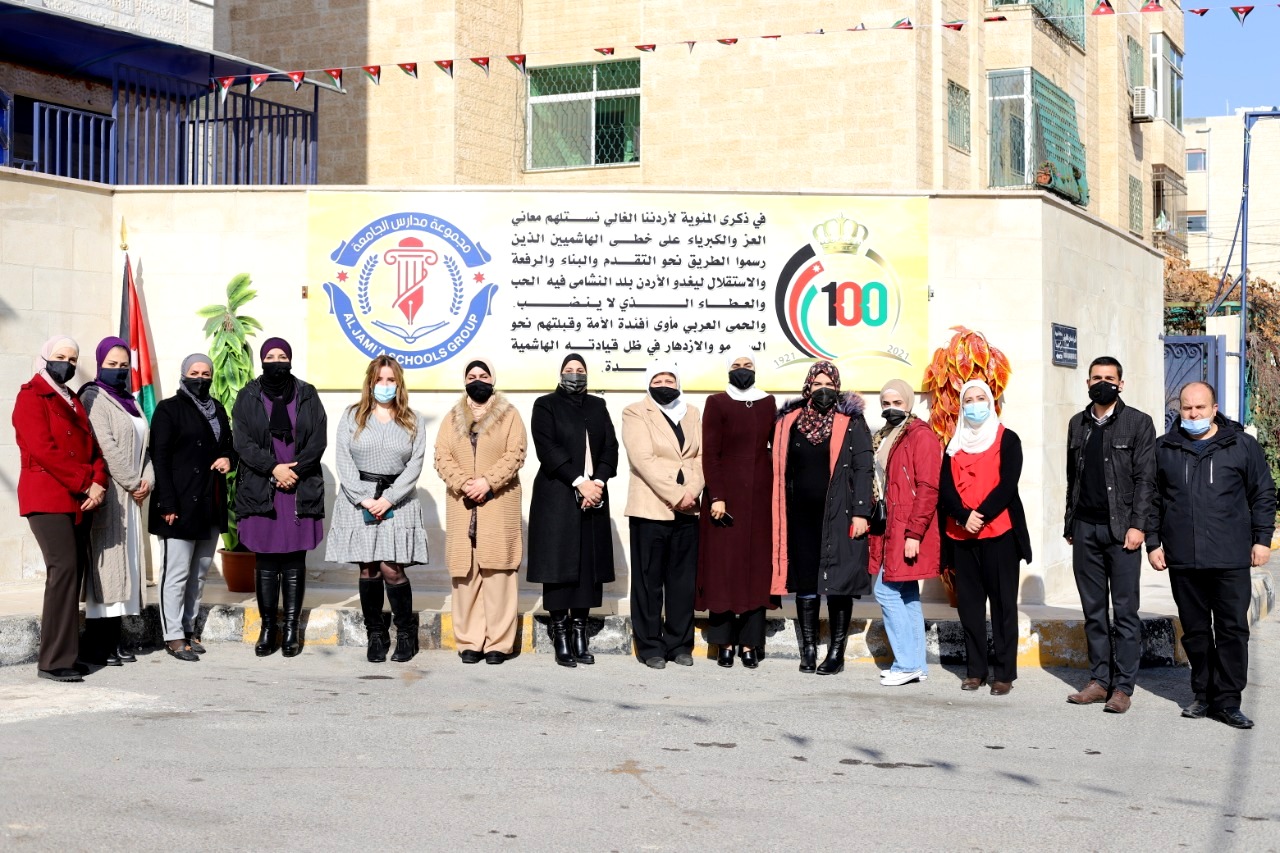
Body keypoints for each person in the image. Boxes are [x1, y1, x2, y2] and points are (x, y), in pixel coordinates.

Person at [1148, 381, 1276, 729]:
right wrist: (1154, 542)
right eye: (1187, 408)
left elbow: (1263, 493)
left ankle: (1228, 701)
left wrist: (1262, 539)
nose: (1193, 414)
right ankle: (1203, 694)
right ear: (1180, 410)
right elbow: (1152, 499)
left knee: (1232, 630)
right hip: (1183, 558)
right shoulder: (1165, 448)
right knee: (1195, 631)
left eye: (1200, 408)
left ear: (1214, 409)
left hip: (1230, 556)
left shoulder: (1241, 446)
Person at [1063, 357, 1157, 713]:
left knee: (1126, 611)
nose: (1102, 383)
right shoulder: (1078, 423)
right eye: (1096, 378)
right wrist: (1070, 524)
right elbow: (1072, 479)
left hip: (1122, 532)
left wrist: (1138, 525)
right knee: (1093, 610)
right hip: (1085, 528)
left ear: (1121, 383)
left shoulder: (1138, 423)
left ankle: (1123, 687)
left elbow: (1146, 479)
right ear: (1087, 382)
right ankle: (1099, 681)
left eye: (1109, 378)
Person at [12, 337, 107, 682]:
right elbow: (44, 450)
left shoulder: (72, 399)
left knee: (72, 573)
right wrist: (86, 482)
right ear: (44, 358)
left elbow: (93, 449)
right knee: (63, 569)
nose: (66, 363)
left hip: (78, 497)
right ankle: (52, 661)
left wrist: (99, 482)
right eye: (60, 356)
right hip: (47, 497)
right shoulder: (31, 396)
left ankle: (67, 654)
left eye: (73, 358)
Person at [325, 355, 430, 663]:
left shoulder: (413, 419)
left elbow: (415, 464)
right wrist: (363, 497)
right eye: (379, 379)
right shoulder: (352, 416)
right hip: (360, 499)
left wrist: (390, 498)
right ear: (370, 382)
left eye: (391, 380)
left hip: (397, 499)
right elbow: (343, 459)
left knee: (391, 568)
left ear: (399, 383)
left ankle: (406, 634)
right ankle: (376, 634)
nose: (385, 385)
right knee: (368, 567)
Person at [771, 361, 873, 675]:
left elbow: (864, 467)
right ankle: (809, 650)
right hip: (800, 516)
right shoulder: (790, 421)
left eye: (829, 384)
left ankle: (836, 653)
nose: (823, 390)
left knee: (838, 583)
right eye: (817, 384)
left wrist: (861, 512)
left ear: (837, 387)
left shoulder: (851, 421)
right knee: (806, 581)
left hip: (840, 515)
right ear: (808, 387)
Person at [232, 338, 327, 658]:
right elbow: (242, 442)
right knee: (266, 559)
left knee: (295, 559)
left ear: (290, 359)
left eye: (282, 355)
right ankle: (268, 628)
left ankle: (290, 629)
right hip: (262, 486)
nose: (276, 361)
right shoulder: (247, 396)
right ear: (262, 360)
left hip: (298, 486)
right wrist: (273, 468)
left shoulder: (307, 394)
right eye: (270, 356)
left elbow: (318, 439)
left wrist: (293, 472)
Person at [939, 379, 1032, 696]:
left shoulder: (1008, 439)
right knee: (969, 607)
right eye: (969, 400)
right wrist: (963, 516)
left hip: (999, 534)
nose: (975, 404)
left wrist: (980, 515)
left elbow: (1008, 484)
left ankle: (1004, 674)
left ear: (991, 402)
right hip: (961, 535)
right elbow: (945, 488)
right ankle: (975, 671)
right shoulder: (953, 445)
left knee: (1003, 606)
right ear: (962, 406)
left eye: (981, 398)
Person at [527, 354, 619, 668]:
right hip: (558, 493)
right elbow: (547, 448)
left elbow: (610, 447)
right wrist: (580, 482)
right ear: (560, 374)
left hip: (595, 495)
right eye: (569, 370)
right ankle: (561, 634)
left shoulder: (598, 406)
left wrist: (598, 482)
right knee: (558, 566)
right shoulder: (546, 405)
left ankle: (580, 631)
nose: (575, 375)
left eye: (580, 370)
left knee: (588, 567)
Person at [434, 359, 527, 665]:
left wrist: (488, 482)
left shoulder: (510, 415)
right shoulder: (452, 418)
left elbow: (516, 454)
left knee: (499, 574)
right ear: (465, 381)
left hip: (498, 502)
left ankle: (498, 643)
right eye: (472, 376)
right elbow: (442, 456)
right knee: (466, 575)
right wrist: (464, 483)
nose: (478, 380)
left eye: (483, 375)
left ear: (492, 379)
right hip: (463, 505)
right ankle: (470, 642)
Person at [149, 353, 237, 662]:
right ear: (184, 374)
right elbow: (159, 457)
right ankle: (173, 636)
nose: (200, 378)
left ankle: (188, 629)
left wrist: (228, 458)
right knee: (176, 573)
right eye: (194, 372)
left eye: (206, 373)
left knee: (198, 573)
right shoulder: (169, 409)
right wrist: (167, 502)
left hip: (210, 502)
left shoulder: (218, 409)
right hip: (179, 503)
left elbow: (229, 446)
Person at [622, 361, 705, 669]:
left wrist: (691, 492)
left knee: (682, 582)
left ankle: (679, 644)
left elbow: (701, 456)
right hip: (651, 508)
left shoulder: (692, 413)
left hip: (688, 509)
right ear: (649, 383)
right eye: (658, 380)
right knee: (648, 581)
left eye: (670, 380)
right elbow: (642, 459)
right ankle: (650, 646)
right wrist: (676, 494)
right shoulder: (635, 412)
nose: (664, 385)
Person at [696, 353, 776, 669]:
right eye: (736, 366)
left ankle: (750, 644)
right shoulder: (716, 403)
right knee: (724, 570)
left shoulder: (768, 403)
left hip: (760, 499)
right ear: (727, 370)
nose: (742, 371)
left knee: (756, 571)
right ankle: (724, 643)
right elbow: (710, 454)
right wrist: (717, 495)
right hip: (725, 500)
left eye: (748, 366)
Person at [80, 336, 153, 667]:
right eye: (112, 364)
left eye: (124, 365)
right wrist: (134, 482)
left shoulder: (131, 401)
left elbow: (144, 450)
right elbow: (106, 447)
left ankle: (115, 639)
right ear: (99, 364)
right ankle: (100, 643)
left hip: (132, 498)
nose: (119, 370)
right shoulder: (93, 396)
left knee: (127, 572)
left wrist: (147, 481)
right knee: (108, 571)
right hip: (111, 496)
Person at [869, 379, 941, 686]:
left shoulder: (920, 435)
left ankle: (906, 664)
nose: (891, 408)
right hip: (889, 525)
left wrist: (914, 533)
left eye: (897, 403)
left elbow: (928, 487)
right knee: (907, 593)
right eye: (886, 403)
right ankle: (917, 665)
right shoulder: (886, 434)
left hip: (906, 526)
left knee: (885, 591)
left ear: (909, 403)